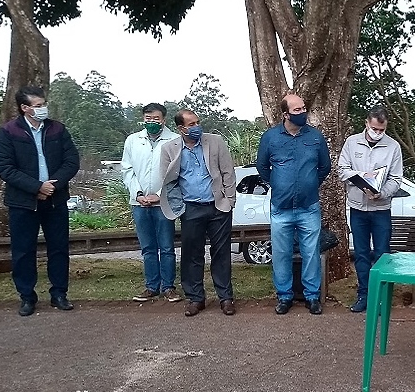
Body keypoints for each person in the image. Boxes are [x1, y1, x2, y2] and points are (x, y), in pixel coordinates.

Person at [0, 85, 80, 316]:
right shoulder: (8, 132)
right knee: (23, 251)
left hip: (55, 199)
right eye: (38, 106)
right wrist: (36, 187)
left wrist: (52, 186)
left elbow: (71, 161)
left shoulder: (57, 130)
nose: (43, 109)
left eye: (44, 104)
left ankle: (59, 294)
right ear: (25, 108)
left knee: (59, 249)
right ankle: (27, 297)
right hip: (22, 202)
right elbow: (5, 168)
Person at [256, 93, 331, 316]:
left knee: (311, 253)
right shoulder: (270, 138)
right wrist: (280, 186)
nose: (303, 113)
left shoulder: (316, 137)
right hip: (281, 208)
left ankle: (312, 297)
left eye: (304, 108)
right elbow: (262, 168)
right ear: (285, 114)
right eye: (297, 110)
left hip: (309, 207)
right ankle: (284, 296)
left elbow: (324, 168)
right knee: (281, 254)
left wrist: (309, 185)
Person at [159, 109, 237, 317]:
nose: (196, 127)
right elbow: (168, 182)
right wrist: (180, 208)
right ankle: (195, 298)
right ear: (181, 128)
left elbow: (228, 172)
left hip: (218, 207)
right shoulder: (169, 149)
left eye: (197, 122)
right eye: (191, 124)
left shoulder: (215, 141)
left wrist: (229, 200)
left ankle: (226, 298)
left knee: (221, 254)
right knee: (191, 255)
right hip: (190, 208)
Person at [339, 106, 404, 313]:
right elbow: (342, 170)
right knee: (361, 253)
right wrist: (361, 177)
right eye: (375, 128)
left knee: (383, 254)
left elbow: (396, 179)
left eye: (382, 129)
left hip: (381, 209)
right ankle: (364, 294)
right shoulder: (351, 142)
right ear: (367, 123)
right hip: (358, 208)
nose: (378, 132)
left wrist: (382, 193)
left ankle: (382, 297)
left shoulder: (393, 147)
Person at [121, 103, 182, 303]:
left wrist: (158, 194)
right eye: (148, 118)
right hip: (139, 203)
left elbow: (175, 173)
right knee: (148, 247)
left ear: (163, 119)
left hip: (163, 203)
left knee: (166, 247)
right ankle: (151, 286)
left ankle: (168, 287)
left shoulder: (174, 140)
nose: (152, 122)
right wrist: (138, 193)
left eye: (156, 118)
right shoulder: (133, 140)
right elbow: (127, 170)